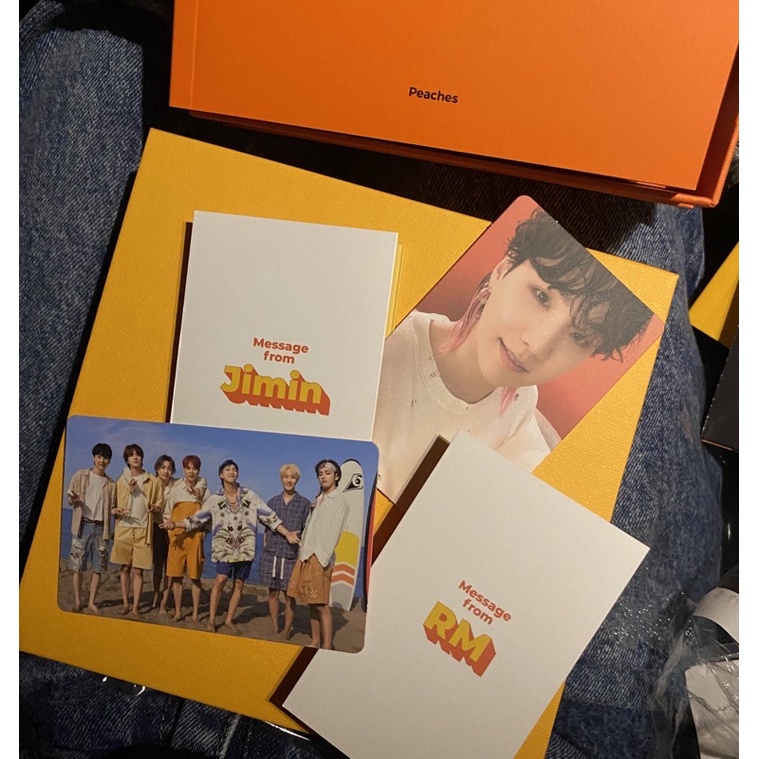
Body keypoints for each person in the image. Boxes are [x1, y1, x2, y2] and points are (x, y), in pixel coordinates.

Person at [372, 208, 655, 501]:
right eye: (542, 296)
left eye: (579, 336)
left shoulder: (520, 408)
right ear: (501, 271)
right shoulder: (387, 338)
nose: (538, 346)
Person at [162, 459, 300, 633]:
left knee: (239, 584)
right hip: (224, 548)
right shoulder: (215, 499)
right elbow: (196, 519)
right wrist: (176, 524)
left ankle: (228, 620)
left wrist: (287, 533)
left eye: (234, 469)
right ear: (221, 474)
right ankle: (211, 620)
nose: (232, 472)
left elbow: (269, 516)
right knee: (220, 581)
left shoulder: (250, 495)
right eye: (228, 469)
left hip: (245, 548)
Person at [287, 459, 349, 650]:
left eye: (327, 473)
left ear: (336, 476)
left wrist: (322, 557)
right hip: (306, 553)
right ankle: (315, 641)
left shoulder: (339, 500)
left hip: (320, 557)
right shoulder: (319, 498)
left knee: (321, 604)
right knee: (311, 602)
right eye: (320, 474)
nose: (323, 476)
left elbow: (335, 531)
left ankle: (327, 645)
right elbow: (312, 527)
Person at [110, 443, 164, 616]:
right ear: (127, 459)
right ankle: (126, 604)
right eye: (131, 455)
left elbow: (159, 504)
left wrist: (154, 507)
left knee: (139, 570)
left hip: (143, 529)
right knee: (125, 568)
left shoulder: (152, 480)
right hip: (124, 528)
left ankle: (135, 607)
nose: (135, 457)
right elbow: (112, 506)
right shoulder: (120, 481)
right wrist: (117, 511)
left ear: (142, 457)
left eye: (138, 454)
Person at [259, 463, 312, 636]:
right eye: (286, 477)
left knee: (289, 595)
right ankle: (275, 626)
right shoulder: (272, 502)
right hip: (272, 553)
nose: (289, 480)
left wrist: (300, 537)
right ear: (281, 478)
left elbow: (308, 529)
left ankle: (287, 630)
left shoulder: (304, 504)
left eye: (293, 477)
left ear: (297, 480)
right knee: (273, 593)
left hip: (291, 556)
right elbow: (267, 527)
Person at [65, 442, 116, 614]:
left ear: (109, 461)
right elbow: (70, 498)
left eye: (105, 458)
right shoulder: (80, 475)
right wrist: (74, 499)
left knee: (98, 567)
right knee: (77, 566)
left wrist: (117, 511)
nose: (102, 460)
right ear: (94, 457)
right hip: (82, 525)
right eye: (99, 456)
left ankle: (92, 602)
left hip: (102, 528)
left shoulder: (111, 484)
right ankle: (78, 601)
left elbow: (111, 508)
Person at [162, 455, 208, 623]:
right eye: (188, 468)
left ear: (198, 470)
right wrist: (171, 533)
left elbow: (208, 513)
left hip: (195, 538)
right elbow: (167, 513)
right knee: (176, 577)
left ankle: (195, 613)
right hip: (177, 538)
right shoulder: (175, 489)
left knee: (195, 577)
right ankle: (178, 611)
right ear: (183, 469)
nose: (191, 471)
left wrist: (205, 531)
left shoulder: (204, 489)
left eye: (195, 468)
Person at [151, 454, 176, 613]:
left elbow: (200, 482)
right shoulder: (152, 483)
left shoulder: (177, 484)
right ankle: (155, 594)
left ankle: (164, 601)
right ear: (157, 469)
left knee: (170, 567)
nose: (166, 471)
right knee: (157, 566)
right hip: (156, 527)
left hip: (172, 528)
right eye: (163, 467)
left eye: (169, 468)